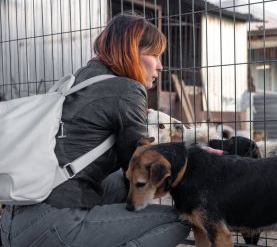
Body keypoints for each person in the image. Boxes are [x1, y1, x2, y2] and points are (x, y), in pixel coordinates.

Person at [0, 13, 190, 247]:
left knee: (122, 184)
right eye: (154, 55)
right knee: (181, 220)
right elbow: (145, 167)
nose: (160, 66)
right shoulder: (128, 90)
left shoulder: (78, 79)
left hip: (12, 223)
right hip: (54, 224)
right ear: (131, 51)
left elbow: (127, 176)